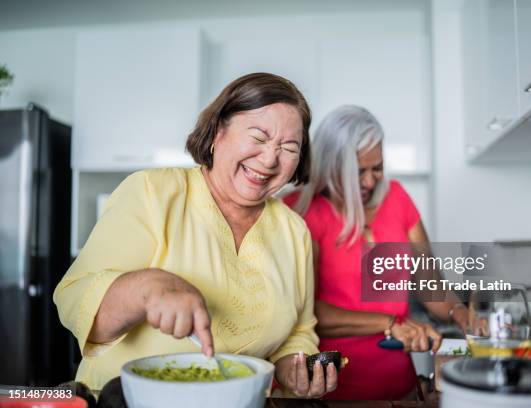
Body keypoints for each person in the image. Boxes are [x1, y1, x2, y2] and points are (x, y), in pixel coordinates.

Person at [53, 73, 337, 397]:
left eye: (288, 147)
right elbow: (74, 299)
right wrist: (148, 287)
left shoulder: (293, 230)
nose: (271, 159)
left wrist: (293, 370)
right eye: (258, 137)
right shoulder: (153, 193)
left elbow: (299, 331)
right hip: (127, 401)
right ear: (218, 131)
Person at [284, 105, 468, 400]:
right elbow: (304, 311)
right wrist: (389, 324)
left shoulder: (397, 198)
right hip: (332, 394)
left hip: (402, 391)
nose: (370, 181)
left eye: (377, 168)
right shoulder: (302, 212)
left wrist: (460, 313)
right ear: (331, 166)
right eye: (358, 172)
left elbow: (430, 286)